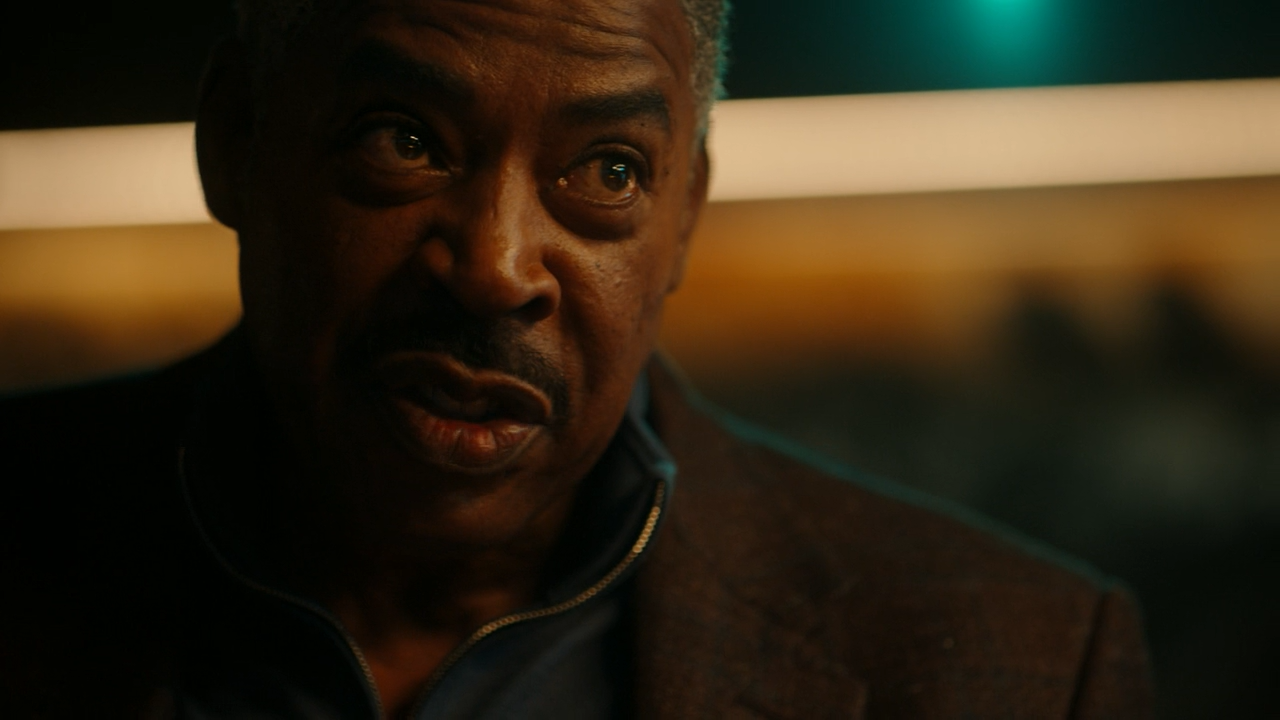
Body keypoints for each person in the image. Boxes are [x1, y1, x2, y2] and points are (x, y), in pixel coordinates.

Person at [0, 0, 1153, 717]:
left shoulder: (1019, 667)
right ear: (235, 140)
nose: (494, 267)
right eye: (404, 139)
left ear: (683, 218)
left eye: (606, 170)